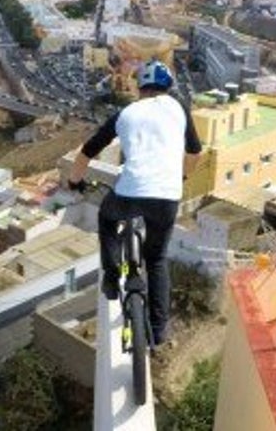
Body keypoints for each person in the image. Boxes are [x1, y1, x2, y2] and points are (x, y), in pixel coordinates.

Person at [68, 60, 202, 347]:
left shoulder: (125, 113)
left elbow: (87, 152)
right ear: (168, 88)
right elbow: (195, 152)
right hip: (166, 196)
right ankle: (159, 328)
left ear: (141, 89)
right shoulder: (179, 109)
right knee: (156, 259)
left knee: (107, 217)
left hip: (130, 193)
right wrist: (182, 176)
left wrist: (74, 181)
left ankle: (112, 274)